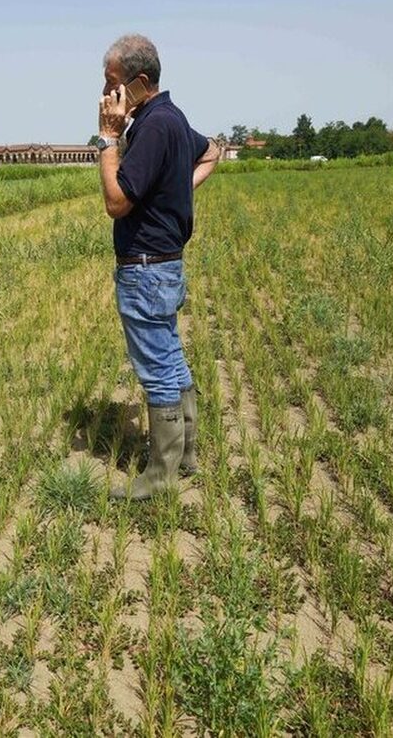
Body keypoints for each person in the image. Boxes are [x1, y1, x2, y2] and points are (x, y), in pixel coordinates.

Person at [96, 34, 221, 500]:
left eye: (113, 85)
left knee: (157, 368)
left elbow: (115, 201)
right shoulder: (172, 118)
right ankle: (185, 455)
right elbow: (212, 150)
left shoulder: (150, 126)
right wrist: (176, 194)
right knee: (170, 356)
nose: (108, 95)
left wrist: (108, 138)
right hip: (166, 266)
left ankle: (162, 474)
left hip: (146, 269)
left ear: (140, 81)